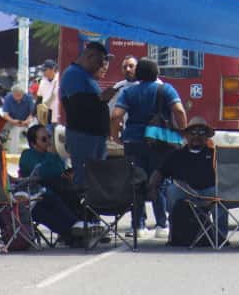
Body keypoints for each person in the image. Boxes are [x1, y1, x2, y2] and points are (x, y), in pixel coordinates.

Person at [110, 58, 186, 239]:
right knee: (158, 181)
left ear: (137, 74)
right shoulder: (165, 89)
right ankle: (161, 225)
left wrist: (115, 136)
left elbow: (116, 115)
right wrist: (182, 131)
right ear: (157, 73)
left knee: (136, 182)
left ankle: (138, 226)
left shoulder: (128, 92)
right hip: (160, 142)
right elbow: (180, 111)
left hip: (133, 142)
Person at [60, 41, 118, 187]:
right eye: (100, 61)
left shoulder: (87, 77)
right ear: (90, 56)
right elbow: (78, 103)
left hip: (94, 137)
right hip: (83, 136)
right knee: (84, 179)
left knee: (95, 180)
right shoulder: (74, 74)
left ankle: (90, 207)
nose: (102, 66)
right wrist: (101, 98)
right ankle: (81, 208)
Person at [147, 117, 219, 223]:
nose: (196, 136)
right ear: (187, 135)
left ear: (207, 136)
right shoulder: (177, 155)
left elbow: (226, 174)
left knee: (220, 197)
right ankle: (174, 235)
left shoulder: (214, 154)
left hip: (208, 192)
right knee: (172, 189)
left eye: (201, 132)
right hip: (185, 192)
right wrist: (152, 187)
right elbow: (159, 172)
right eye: (193, 132)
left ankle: (220, 237)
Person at [18, 124, 80, 245]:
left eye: (49, 137)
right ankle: (74, 230)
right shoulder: (27, 155)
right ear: (33, 143)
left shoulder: (53, 156)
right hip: (36, 197)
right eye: (44, 139)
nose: (49, 142)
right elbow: (42, 173)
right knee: (52, 203)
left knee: (71, 194)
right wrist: (50, 156)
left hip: (56, 193)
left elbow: (61, 169)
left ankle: (78, 229)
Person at [1, 85, 35, 152]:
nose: (17, 98)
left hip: (26, 121)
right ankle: (13, 152)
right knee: (14, 132)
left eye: (19, 95)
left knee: (34, 129)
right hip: (13, 122)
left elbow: (32, 113)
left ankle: (34, 151)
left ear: (23, 94)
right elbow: (5, 114)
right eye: (15, 95)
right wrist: (13, 121)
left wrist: (27, 120)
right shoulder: (8, 98)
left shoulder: (28, 98)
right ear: (12, 93)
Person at [36, 59, 60, 127]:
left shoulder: (60, 79)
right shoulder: (42, 82)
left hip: (58, 115)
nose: (44, 72)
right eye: (43, 70)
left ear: (52, 69)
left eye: (45, 70)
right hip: (47, 115)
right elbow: (39, 99)